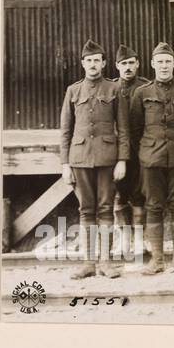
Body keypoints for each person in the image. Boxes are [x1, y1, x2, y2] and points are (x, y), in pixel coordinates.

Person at [129, 42, 174, 274]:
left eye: (167, 61)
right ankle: (157, 260)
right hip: (151, 159)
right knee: (153, 206)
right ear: (152, 64)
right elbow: (134, 129)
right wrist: (145, 151)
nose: (164, 66)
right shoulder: (141, 93)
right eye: (159, 61)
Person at [57, 39, 128, 278]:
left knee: (106, 209)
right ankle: (88, 263)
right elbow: (65, 130)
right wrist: (65, 164)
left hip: (108, 158)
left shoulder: (114, 89)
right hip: (79, 158)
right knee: (86, 210)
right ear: (82, 64)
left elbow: (124, 129)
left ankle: (105, 263)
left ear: (104, 63)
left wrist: (122, 160)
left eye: (97, 60)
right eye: (89, 60)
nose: (93, 64)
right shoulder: (73, 90)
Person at [110, 44, 150, 259]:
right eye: (123, 64)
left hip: (141, 150)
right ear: (117, 66)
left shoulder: (146, 87)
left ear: (138, 64)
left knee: (139, 196)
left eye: (131, 63)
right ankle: (123, 240)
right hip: (116, 154)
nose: (127, 67)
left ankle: (140, 241)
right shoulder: (111, 89)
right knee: (119, 195)